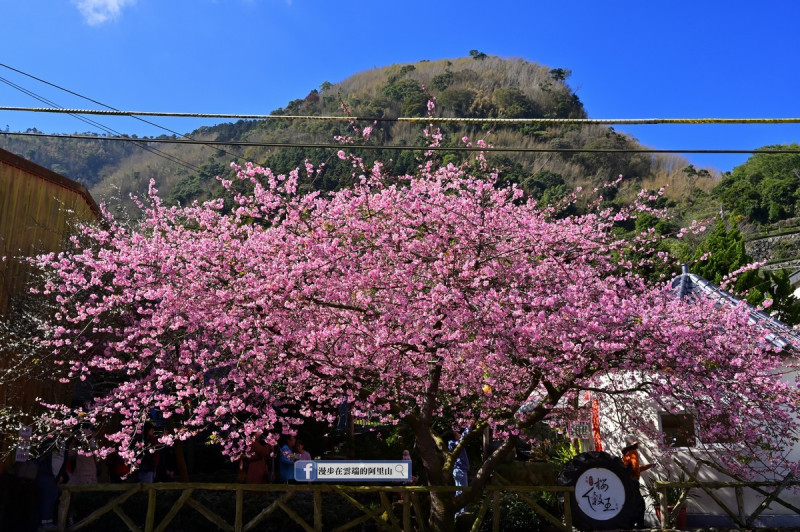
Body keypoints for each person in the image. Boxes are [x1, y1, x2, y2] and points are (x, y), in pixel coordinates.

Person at [621, 435, 651, 528]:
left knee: (631, 503)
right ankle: (640, 525)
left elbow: (632, 469)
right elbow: (635, 468)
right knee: (640, 504)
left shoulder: (626, 454)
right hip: (632, 482)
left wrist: (647, 466)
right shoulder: (634, 453)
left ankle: (630, 524)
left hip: (627, 481)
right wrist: (636, 478)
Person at [448, 428, 470, 516]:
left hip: (459, 470)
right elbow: (463, 439)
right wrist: (469, 427)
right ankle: (461, 512)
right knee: (462, 491)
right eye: (457, 433)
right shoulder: (453, 444)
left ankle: (459, 512)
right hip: (460, 470)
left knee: (459, 490)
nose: (459, 434)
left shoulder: (454, 444)